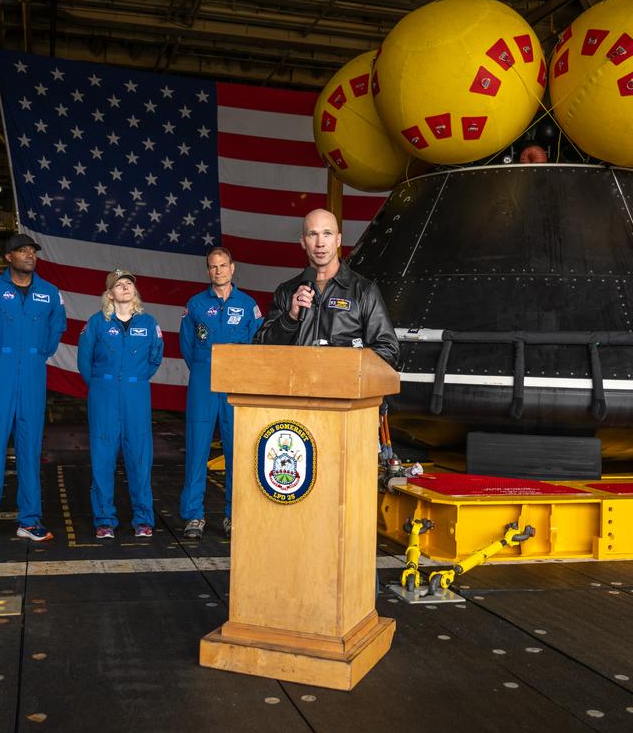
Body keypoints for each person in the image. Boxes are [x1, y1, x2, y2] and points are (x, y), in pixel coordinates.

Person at [0, 233, 66, 545]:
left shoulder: (49, 294)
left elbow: (55, 330)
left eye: (32, 251)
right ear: (7, 256)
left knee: (30, 449)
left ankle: (29, 520)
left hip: (32, 375)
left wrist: (36, 356)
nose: (28, 255)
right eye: (21, 251)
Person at [178, 248, 262, 540]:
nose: (218, 271)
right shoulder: (196, 304)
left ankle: (233, 514)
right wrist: (205, 369)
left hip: (235, 384)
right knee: (197, 449)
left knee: (236, 451)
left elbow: (258, 344)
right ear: (208, 271)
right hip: (203, 381)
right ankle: (193, 516)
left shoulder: (248, 305)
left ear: (233, 268)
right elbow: (187, 346)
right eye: (213, 267)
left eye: (223, 265)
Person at [77, 269, 163, 539]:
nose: (125, 287)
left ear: (134, 291)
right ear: (109, 293)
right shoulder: (96, 323)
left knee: (139, 457)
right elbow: (84, 361)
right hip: (103, 394)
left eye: (129, 284)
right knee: (102, 458)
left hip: (136, 394)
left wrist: (132, 381)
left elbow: (155, 359)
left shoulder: (149, 323)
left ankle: (143, 519)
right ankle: (104, 519)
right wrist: (103, 386)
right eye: (119, 285)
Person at [255, 208, 400, 367]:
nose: (320, 243)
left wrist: (338, 359)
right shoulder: (287, 291)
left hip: (342, 389)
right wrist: (290, 318)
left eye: (327, 234)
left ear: (338, 240)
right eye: (313, 234)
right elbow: (260, 350)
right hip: (296, 388)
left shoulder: (363, 291)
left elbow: (388, 351)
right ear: (303, 241)